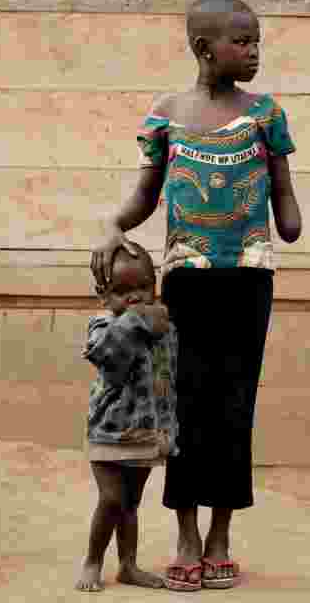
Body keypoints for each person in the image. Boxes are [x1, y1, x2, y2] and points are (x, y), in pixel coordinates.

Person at [90, 0, 302, 591]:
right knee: (183, 404)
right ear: (205, 48)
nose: (254, 50)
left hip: (249, 279)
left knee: (235, 407)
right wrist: (114, 227)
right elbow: (146, 195)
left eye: (257, 40)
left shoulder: (265, 114)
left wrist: (288, 215)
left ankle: (220, 535)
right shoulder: (167, 114)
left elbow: (283, 187)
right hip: (184, 279)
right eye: (243, 41)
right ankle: (184, 533)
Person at [76, 242, 178, 592]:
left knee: (131, 504)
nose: (133, 298)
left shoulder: (162, 327)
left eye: (142, 289)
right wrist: (134, 321)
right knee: (111, 499)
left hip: (145, 435)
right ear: (103, 295)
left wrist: (167, 430)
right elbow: (107, 358)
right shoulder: (103, 325)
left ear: (154, 286)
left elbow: (166, 378)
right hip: (107, 433)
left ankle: (128, 565)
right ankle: (93, 560)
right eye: (121, 292)